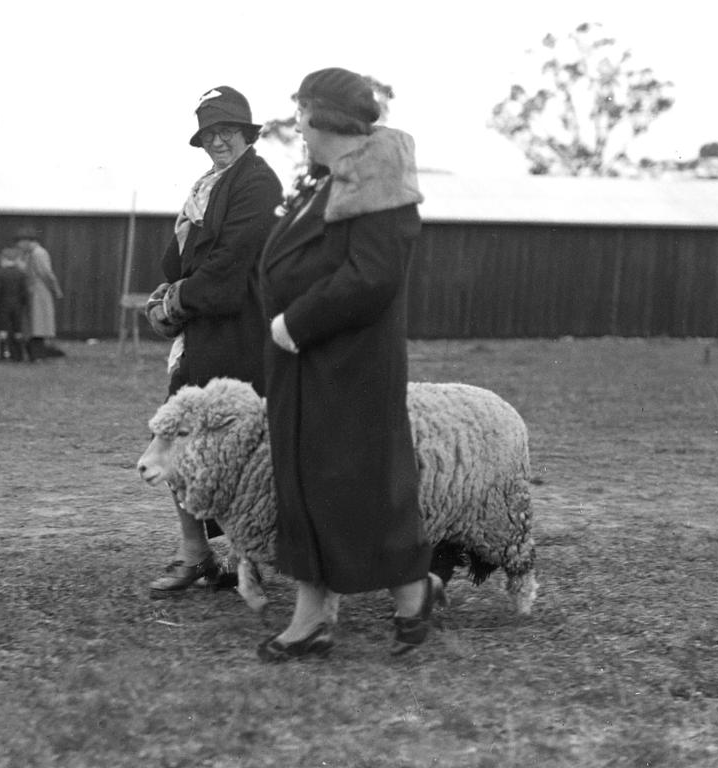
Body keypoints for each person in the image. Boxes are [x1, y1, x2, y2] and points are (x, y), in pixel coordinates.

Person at [256, 68, 438, 662]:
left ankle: (411, 594)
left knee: (362, 489)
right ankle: (314, 618)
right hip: (308, 367)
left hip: (348, 367)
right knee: (308, 488)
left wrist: (295, 323)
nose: (299, 128)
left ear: (322, 118)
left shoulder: (377, 185)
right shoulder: (327, 181)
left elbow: (373, 277)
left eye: (303, 114)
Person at [143, 85, 283, 597]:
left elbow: (230, 266)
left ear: (247, 133)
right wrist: (169, 291)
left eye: (227, 130)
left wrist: (180, 299)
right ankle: (197, 554)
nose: (218, 140)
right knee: (181, 439)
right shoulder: (207, 185)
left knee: (235, 450)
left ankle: (246, 560)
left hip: (238, 333)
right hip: (205, 330)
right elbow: (181, 261)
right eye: (209, 133)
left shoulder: (258, 184)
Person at [14, 226, 64, 361]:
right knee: (35, 323)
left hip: (39, 291)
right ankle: (36, 353)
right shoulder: (30, 254)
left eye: (20, 242)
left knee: (38, 323)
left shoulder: (38, 253)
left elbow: (45, 273)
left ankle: (38, 353)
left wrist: (55, 288)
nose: (18, 246)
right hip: (33, 290)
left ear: (27, 241)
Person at [0, 246, 30, 362]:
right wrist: (23, 303)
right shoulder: (21, 274)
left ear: (4, 259)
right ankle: (18, 355)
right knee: (18, 331)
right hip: (17, 305)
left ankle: (3, 355)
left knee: (3, 330)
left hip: (3, 305)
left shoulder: (0, 273)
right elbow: (24, 292)